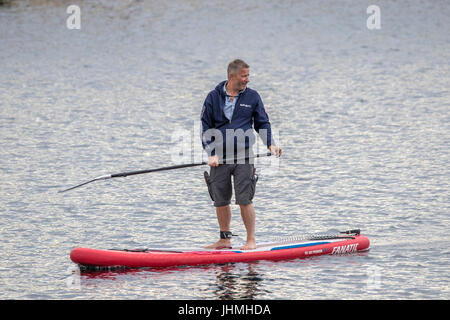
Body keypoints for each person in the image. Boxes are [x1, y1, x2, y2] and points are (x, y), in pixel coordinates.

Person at [200, 59, 282, 250]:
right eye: (244, 76)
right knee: (220, 200)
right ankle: (224, 239)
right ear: (232, 76)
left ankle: (250, 240)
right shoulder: (213, 97)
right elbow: (205, 128)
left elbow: (263, 123)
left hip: (244, 156)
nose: (247, 80)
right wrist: (211, 153)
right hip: (219, 157)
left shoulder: (252, 97)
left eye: (248, 75)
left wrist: (270, 144)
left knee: (244, 199)